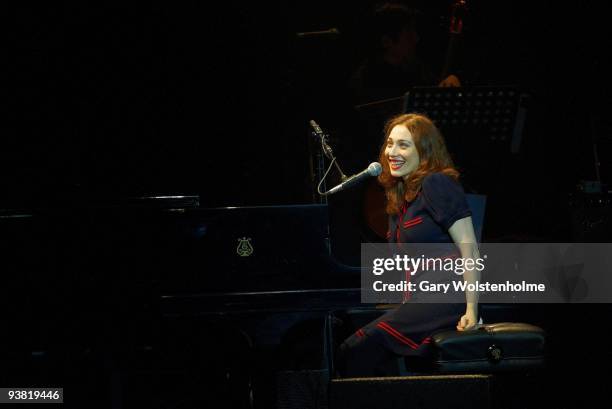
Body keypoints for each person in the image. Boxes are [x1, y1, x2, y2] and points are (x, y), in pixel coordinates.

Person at [337, 113, 480, 377]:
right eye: (390, 144)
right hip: (422, 298)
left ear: (424, 152)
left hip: (447, 296)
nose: (392, 152)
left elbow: (469, 246)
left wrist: (472, 308)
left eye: (403, 145)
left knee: (357, 347)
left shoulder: (436, 183)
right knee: (352, 343)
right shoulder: (399, 196)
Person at [349, 2, 461, 106]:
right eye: (408, 35)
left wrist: (448, 84)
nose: (416, 39)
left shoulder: (413, 66)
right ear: (386, 42)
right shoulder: (367, 79)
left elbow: (435, 90)